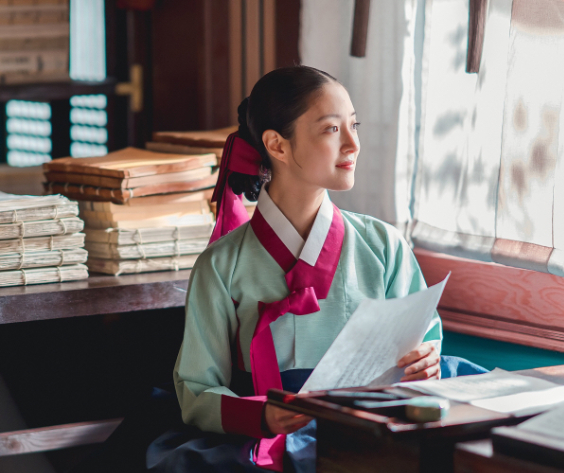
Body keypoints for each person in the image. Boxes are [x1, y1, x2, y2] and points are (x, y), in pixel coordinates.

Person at [145, 66, 487, 473]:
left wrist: (425, 360)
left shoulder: (384, 245)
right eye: (331, 129)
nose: (353, 144)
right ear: (278, 145)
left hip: (375, 425)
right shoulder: (221, 265)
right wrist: (263, 416)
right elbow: (197, 387)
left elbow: (424, 335)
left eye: (354, 125)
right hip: (267, 432)